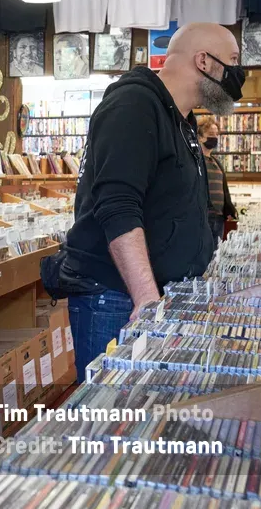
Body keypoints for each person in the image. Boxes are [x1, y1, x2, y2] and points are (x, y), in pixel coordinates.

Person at [58, 22, 245, 373]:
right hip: (118, 298)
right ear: (204, 61)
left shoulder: (181, 119)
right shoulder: (134, 104)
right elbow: (117, 205)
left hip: (155, 296)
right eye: (232, 60)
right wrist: (145, 299)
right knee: (113, 415)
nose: (238, 72)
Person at [197, 116, 236, 240]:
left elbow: (224, 189)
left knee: (217, 254)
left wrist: (228, 209)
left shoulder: (216, 162)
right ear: (200, 137)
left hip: (219, 217)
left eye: (216, 134)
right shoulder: (195, 161)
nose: (214, 137)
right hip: (203, 216)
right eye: (210, 134)